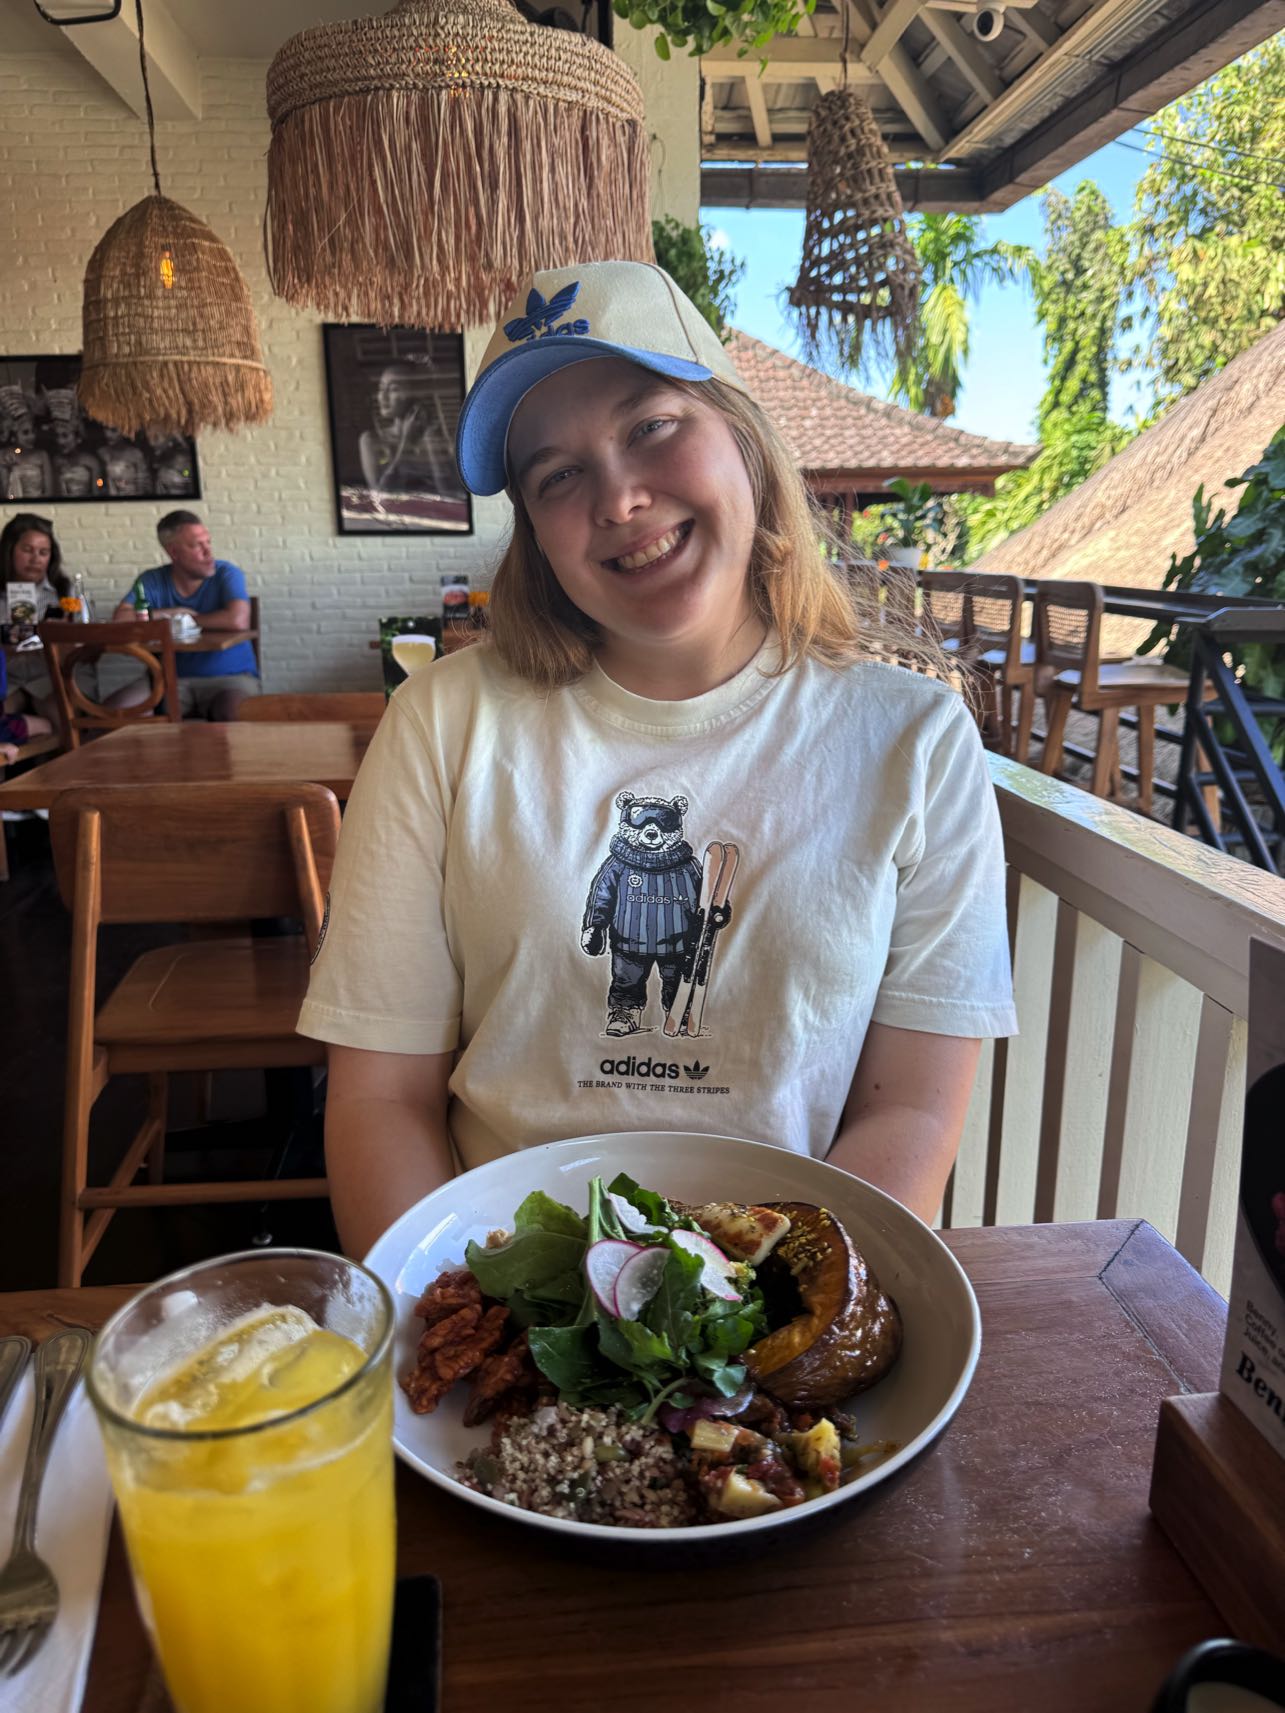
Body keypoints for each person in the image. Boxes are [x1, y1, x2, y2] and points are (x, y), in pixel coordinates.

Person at [298, 261, 1017, 1260]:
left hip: (791, 1288)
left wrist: (766, 1312)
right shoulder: (439, 723)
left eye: (650, 426)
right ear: (534, 532)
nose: (619, 498)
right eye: (557, 475)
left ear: (745, 440)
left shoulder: (917, 739)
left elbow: (910, 1113)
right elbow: (382, 1096)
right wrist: (445, 1310)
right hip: (502, 1283)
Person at [109, 511, 260, 720]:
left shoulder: (226, 573)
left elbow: (237, 620)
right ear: (174, 552)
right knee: (117, 711)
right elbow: (120, 619)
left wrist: (184, 620)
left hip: (229, 677)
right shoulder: (152, 580)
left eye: (208, 542)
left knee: (234, 712)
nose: (208, 552)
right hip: (166, 678)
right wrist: (172, 614)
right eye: (197, 545)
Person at [1, 512, 69, 730]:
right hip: (8, 680)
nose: (35, 559)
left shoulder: (64, 591)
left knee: (62, 717)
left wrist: (63, 637)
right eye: (27, 550)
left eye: (43, 552)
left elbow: (83, 650)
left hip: (49, 679)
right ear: (9, 551)